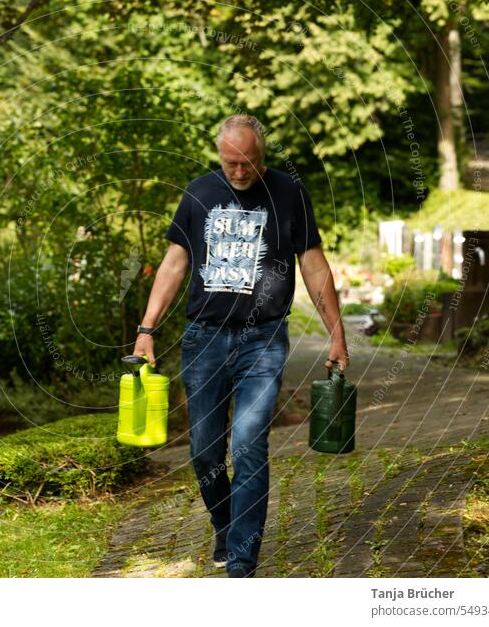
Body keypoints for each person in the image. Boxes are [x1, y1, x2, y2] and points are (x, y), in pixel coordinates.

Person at [132, 114, 349, 578]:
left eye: (247, 163)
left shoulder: (290, 192)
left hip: (263, 340)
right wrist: (147, 328)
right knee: (205, 451)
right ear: (219, 155)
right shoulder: (199, 192)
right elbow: (174, 263)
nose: (237, 172)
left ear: (262, 156)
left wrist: (336, 331)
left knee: (249, 445)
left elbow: (313, 264)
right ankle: (224, 524)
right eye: (229, 162)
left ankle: (242, 562)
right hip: (204, 339)